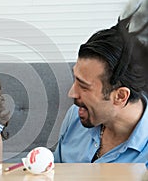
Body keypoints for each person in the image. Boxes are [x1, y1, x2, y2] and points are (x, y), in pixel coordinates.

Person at [53, 9, 148, 166]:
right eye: (75, 79)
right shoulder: (75, 117)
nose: (71, 93)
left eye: (84, 87)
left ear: (120, 96)